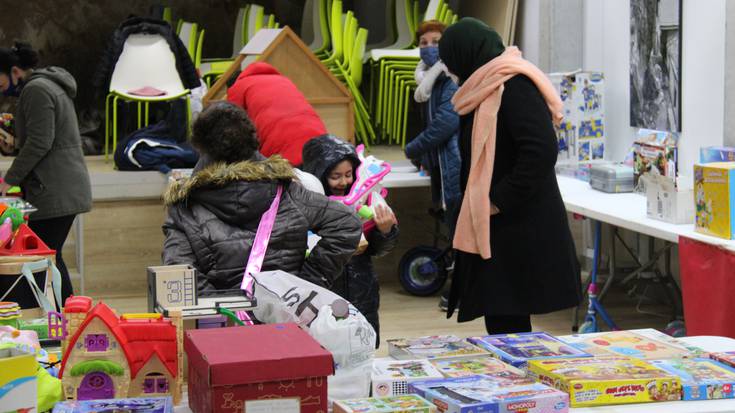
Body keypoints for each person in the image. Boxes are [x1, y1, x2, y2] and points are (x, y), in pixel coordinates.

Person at [438, 18, 581, 334]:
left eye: (449, 62)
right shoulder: (484, 87)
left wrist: (497, 200)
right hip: (499, 225)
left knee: (508, 319)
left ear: (467, 54)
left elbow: (540, 151)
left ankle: (520, 381)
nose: (448, 71)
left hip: (517, 223)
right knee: (502, 317)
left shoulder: (514, 87)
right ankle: (514, 379)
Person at [162, 102, 361, 292]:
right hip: (286, 318)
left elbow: (179, 270)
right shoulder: (288, 193)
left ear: (201, 146)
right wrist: (307, 284)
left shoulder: (185, 207)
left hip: (222, 323)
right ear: (252, 139)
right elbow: (347, 223)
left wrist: (220, 308)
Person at [0, 41, 92, 303]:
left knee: (44, 257)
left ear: (15, 71)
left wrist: (10, 179)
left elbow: (41, 142)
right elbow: (40, 138)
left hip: (55, 189)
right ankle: (69, 315)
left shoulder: (36, 90)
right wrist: (14, 142)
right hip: (58, 186)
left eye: (1, 83)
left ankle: (70, 315)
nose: (4, 90)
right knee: (49, 256)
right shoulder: (45, 86)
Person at [302, 135, 398, 345]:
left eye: (348, 174)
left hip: (361, 290)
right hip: (323, 294)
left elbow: (379, 249)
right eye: (335, 176)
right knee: (325, 349)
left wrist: (385, 231)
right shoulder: (305, 206)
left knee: (363, 347)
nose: (344, 182)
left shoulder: (366, 200)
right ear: (318, 175)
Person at [405, 20, 461, 312]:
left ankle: (459, 291)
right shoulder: (427, 80)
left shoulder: (450, 78)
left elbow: (447, 122)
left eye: (435, 41)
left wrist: (414, 148)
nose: (429, 48)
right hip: (441, 165)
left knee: (460, 233)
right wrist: (422, 157)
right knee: (453, 229)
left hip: (456, 163)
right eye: (424, 43)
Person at [227, 62, 327, 167]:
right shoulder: (284, 79)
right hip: (317, 134)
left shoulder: (239, 86)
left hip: (281, 142)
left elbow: (232, 124)